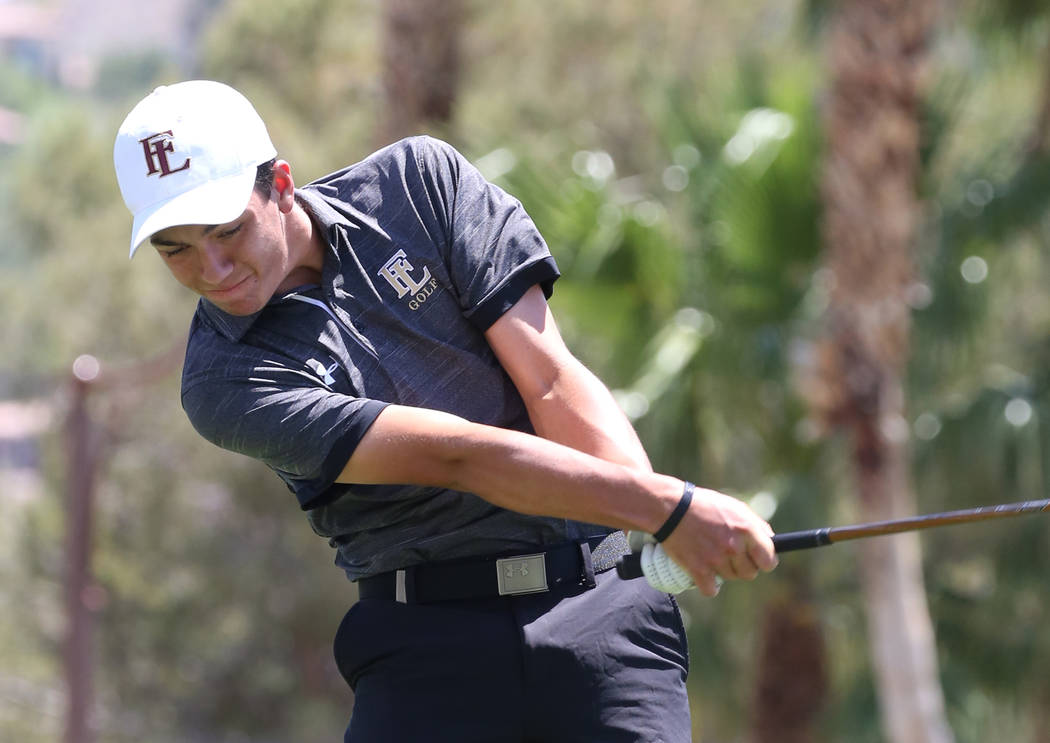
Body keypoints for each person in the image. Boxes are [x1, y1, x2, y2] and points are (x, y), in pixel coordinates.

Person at [113, 80, 778, 742]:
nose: (214, 267)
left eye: (228, 230)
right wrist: (666, 506)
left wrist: (653, 521)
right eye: (177, 249)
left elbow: (549, 378)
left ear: (281, 184)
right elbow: (456, 456)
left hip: (600, 614)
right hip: (424, 652)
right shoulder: (222, 380)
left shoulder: (416, 187)